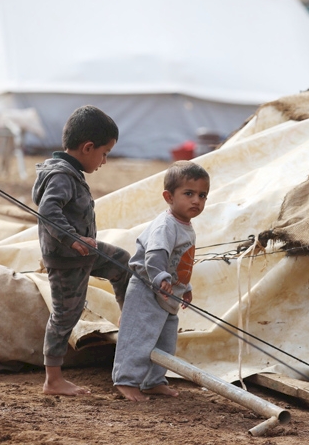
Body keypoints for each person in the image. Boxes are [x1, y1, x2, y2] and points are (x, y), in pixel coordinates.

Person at [32, 105, 131, 396]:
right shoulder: (61, 175)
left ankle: (128, 318)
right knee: (66, 315)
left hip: (83, 252)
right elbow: (48, 211)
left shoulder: (69, 171)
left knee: (123, 264)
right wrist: (73, 238)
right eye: (105, 153)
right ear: (88, 147)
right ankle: (53, 381)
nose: (104, 161)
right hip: (67, 259)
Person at [112, 160, 210, 401]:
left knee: (165, 341)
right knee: (138, 336)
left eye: (202, 195)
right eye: (189, 194)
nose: (196, 200)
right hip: (147, 289)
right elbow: (155, 255)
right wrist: (160, 277)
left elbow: (180, 262)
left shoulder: (186, 226)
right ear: (169, 196)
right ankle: (126, 380)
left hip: (168, 294)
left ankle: (152, 381)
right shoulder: (165, 225)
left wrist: (184, 287)